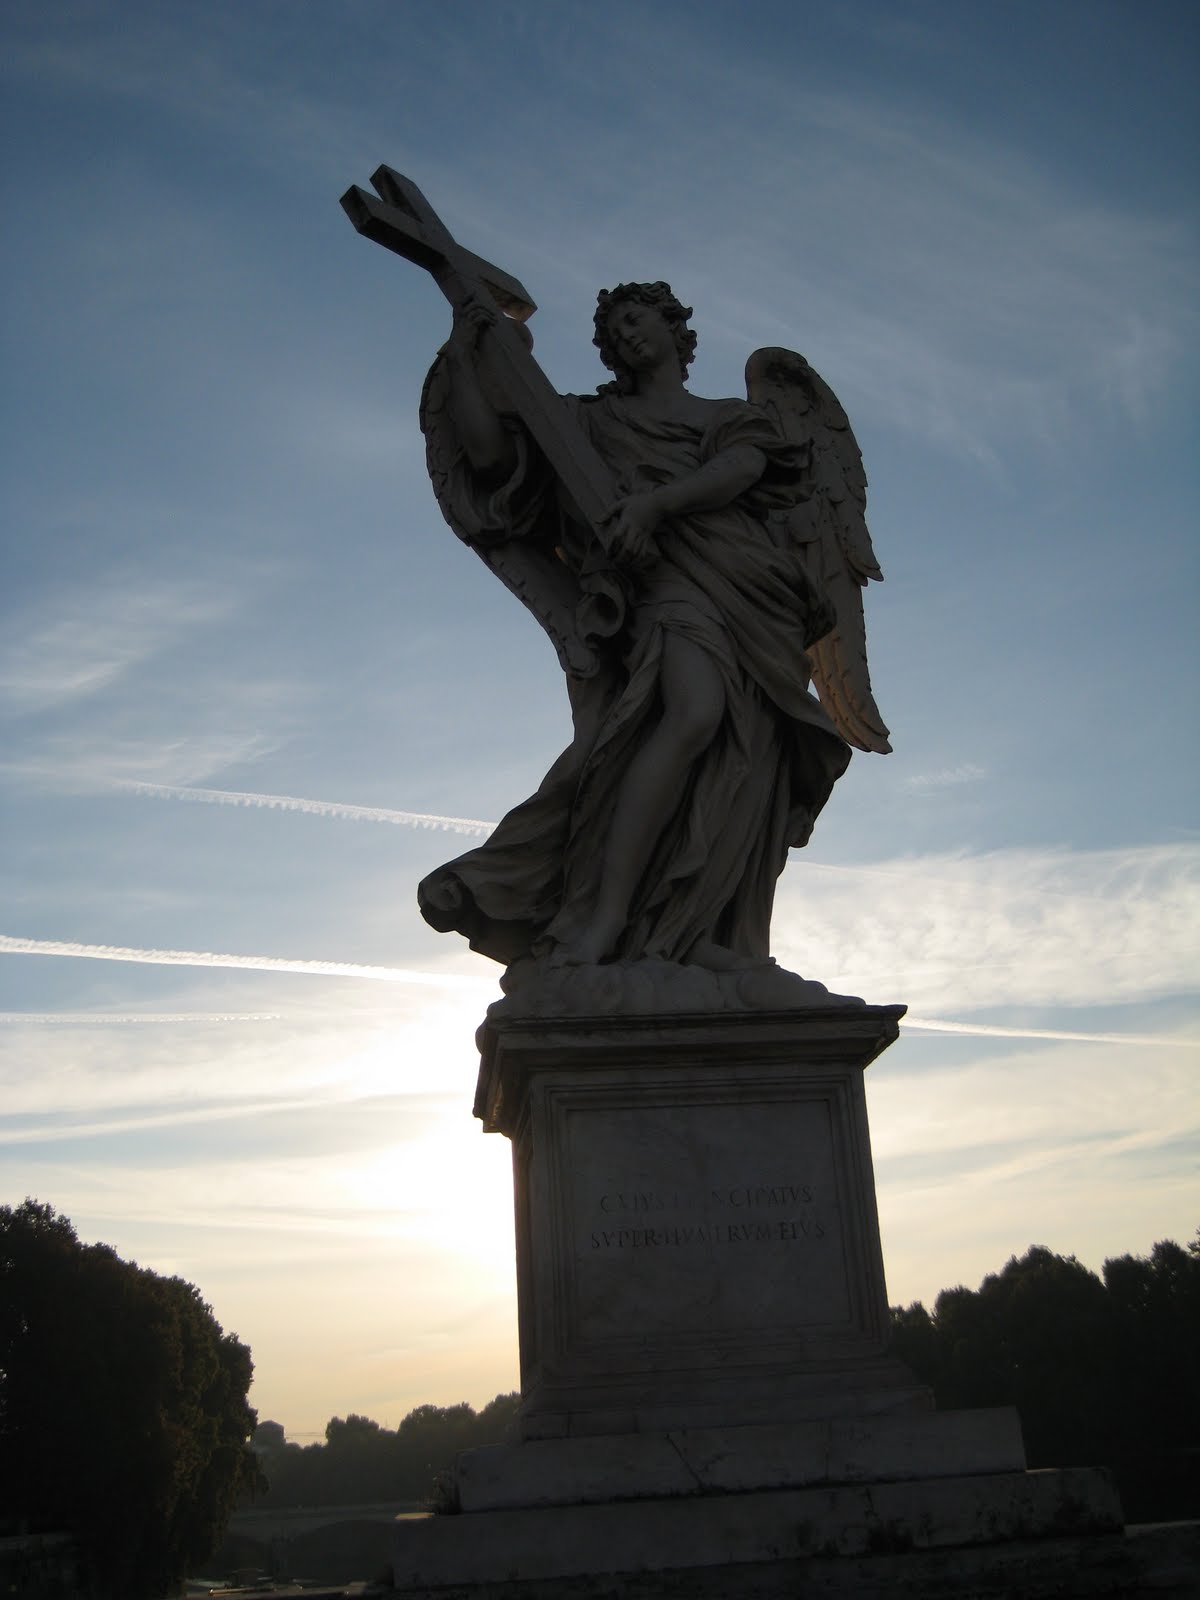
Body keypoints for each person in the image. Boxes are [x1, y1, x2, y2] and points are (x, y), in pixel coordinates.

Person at [418, 282, 851, 977]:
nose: (625, 333)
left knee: (746, 753)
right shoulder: (587, 423)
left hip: (754, 588)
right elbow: (492, 456)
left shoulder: (730, 416)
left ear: (676, 329)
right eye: (613, 327)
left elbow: (739, 469)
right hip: (664, 582)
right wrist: (465, 352)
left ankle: (692, 926)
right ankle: (606, 917)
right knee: (694, 710)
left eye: (635, 317)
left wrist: (655, 506)